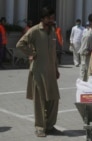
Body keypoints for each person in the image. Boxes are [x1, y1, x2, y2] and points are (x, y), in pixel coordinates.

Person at [16, 6, 62, 137]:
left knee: (54, 99)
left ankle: (50, 125)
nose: (52, 20)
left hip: (51, 72)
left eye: (53, 18)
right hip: (38, 71)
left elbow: (53, 52)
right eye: (49, 18)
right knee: (40, 100)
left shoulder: (53, 31)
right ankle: (40, 127)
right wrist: (32, 53)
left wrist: (56, 69)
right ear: (43, 18)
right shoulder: (35, 30)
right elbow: (20, 44)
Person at [78, 13, 92, 81]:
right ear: (91, 23)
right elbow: (83, 51)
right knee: (86, 84)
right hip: (87, 65)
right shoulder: (88, 36)